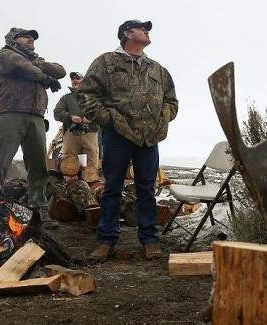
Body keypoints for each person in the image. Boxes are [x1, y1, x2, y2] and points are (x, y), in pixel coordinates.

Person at [78, 19, 178, 261]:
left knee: (146, 189)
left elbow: (172, 101)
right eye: (142, 28)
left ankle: (150, 241)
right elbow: (86, 95)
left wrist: (162, 119)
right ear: (126, 33)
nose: (146, 31)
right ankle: (106, 240)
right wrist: (108, 118)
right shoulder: (106, 62)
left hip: (149, 137)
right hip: (117, 134)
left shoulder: (158, 70)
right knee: (112, 187)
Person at [0, 27, 66, 234]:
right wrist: (43, 76)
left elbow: (60, 71)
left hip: (36, 117)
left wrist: (39, 63)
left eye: (32, 38)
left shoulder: (35, 60)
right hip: (10, 113)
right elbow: (17, 65)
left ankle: (39, 208)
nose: (30, 40)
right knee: (0, 162)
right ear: (13, 39)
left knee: (38, 166)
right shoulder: (4, 55)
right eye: (25, 37)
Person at [53, 72, 100, 176]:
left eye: (78, 77)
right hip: (71, 135)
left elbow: (102, 111)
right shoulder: (66, 98)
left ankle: (91, 188)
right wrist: (70, 117)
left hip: (90, 134)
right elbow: (57, 113)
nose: (75, 80)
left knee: (91, 167)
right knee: (69, 167)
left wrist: (91, 117)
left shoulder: (94, 97)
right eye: (72, 78)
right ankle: (72, 188)